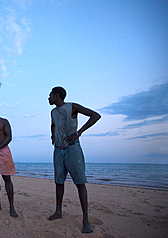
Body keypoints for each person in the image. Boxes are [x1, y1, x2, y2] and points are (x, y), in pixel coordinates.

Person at [48, 86, 101, 234]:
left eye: (50, 95)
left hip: (73, 149)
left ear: (57, 96)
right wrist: (53, 136)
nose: (48, 98)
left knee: (80, 183)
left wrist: (79, 132)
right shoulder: (53, 112)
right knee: (59, 181)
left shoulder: (72, 107)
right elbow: (53, 125)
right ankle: (58, 212)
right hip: (58, 150)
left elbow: (95, 116)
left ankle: (86, 221)